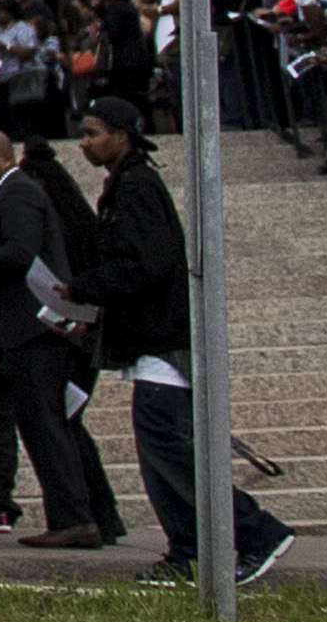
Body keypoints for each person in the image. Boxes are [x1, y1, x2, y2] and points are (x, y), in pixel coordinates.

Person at [74, 94, 295, 586]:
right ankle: (187, 552)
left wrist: (85, 288)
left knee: (172, 452)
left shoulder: (137, 187)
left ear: (122, 136)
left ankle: (257, 532)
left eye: (93, 133)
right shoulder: (126, 184)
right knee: (159, 458)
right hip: (150, 343)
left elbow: (146, 265)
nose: (83, 143)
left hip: (164, 345)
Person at [0, 123, 119, 546]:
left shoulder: (17, 193)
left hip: (34, 330)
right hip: (29, 330)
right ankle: (92, 517)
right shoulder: (11, 193)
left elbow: (20, 254)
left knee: (44, 425)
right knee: (54, 424)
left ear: (5, 157)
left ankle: (73, 519)